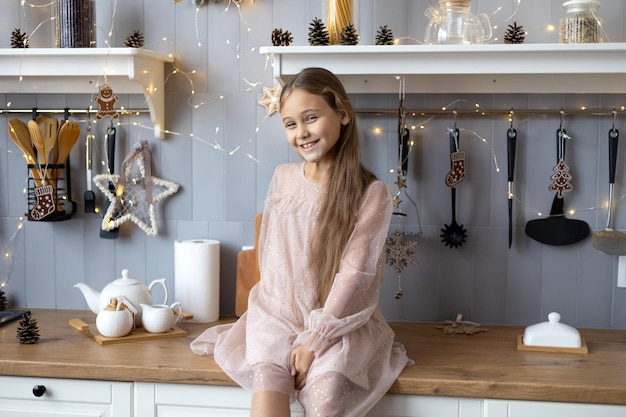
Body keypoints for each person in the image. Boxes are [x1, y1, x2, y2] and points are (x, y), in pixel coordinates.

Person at [190, 67, 411, 417]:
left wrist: (314, 339)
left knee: (326, 396)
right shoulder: (283, 178)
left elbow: (356, 275)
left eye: (311, 118)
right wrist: (279, 327)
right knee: (268, 388)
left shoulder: (371, 193)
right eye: (291, 124)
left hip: (337, 324)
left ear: (342, 114)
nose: (302, 132)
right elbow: (274, 259)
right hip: (276, 315)